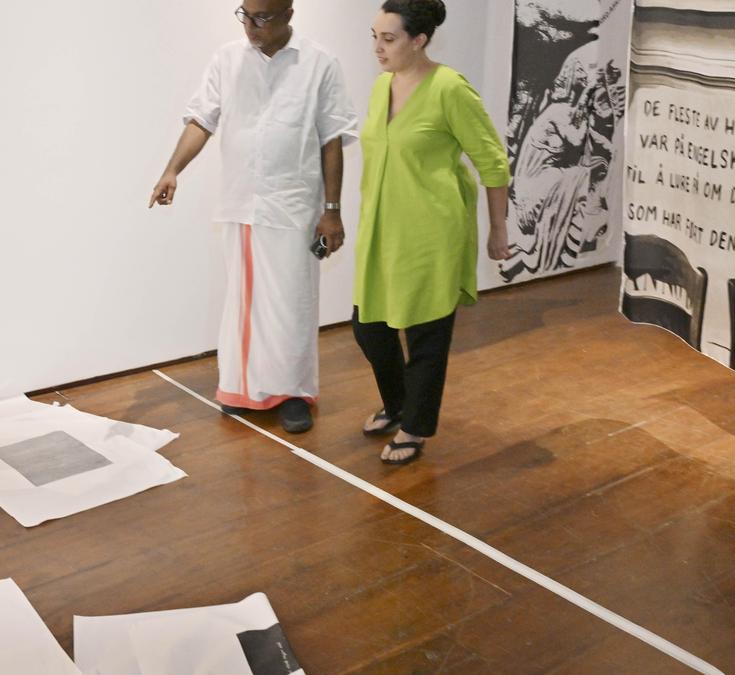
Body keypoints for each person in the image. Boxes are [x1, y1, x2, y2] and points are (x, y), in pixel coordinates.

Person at [149, 0, 358, 433]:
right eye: (245, 14)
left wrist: (332, 210)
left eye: (262, 18)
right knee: (244, 305)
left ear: (288, 15)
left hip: (295, 206)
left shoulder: (320, 64)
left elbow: (332, 139)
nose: (250, 26)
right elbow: (202, 120)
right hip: (242, 202)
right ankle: (243, 389)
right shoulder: (226, 60)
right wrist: (172, 170)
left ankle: (294, 394)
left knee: (293, 305)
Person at [354, 0, 511, 463]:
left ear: (419, 40)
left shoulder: (449, 89)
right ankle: (398, 404)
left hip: (431, 234)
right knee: (369, 328)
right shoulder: (381, 87)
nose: (377, 48)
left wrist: (498, 229)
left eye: (389, 39)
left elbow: (492, 162)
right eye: (375, 36)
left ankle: (415, 428)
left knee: (425, 334)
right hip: (381, 230)